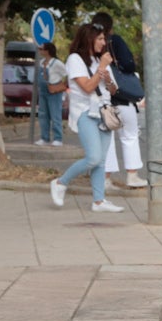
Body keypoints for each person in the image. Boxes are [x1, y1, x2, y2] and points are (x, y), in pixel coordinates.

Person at [49, 22, 124, 213]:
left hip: (104, 114)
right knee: (93, 157)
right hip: (85, 113)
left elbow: (115, 90)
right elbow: (88, 87)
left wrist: (107, 77)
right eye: (100, 38)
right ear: (89, 39)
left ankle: (98, 201)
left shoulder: (99, 61)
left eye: (104, 38)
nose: (103, 42)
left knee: (101, 160)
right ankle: (60, 182)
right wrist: (102, 68)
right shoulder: (75, 59)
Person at [92, 13, 148, 188]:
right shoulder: (114, 40)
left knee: (106, 140)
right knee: (129, 136)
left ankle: (105, 178)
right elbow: (129, 65)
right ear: (110, 27)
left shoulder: (90, 45)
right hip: (121, 98)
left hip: (101, 101)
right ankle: (132, 176)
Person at [35, 42, 67, 145]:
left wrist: (61, 86)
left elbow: (66, 74)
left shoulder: (56, 63)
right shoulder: (42, 62)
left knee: (55, 115)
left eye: (41, 49)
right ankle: (44, 137)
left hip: (54, 91)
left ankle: (58, 138)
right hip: (43, 91)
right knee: (43, 115)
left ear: (47, 51)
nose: (40, 51)